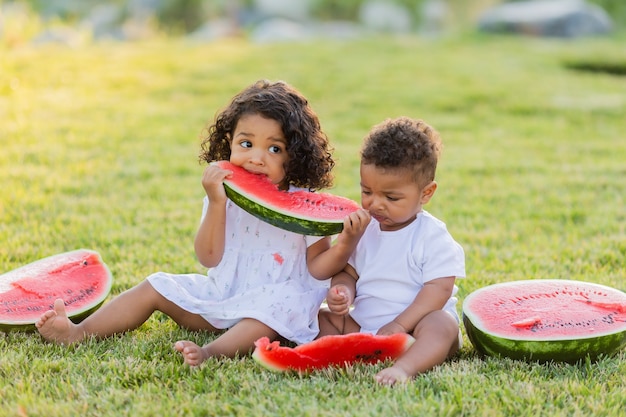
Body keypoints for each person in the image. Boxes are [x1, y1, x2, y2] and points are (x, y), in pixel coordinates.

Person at [36, 79, 365, 366]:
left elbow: (319, 268)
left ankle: (211, 352)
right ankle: (78, 332)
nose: (256, 157)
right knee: (155, 284)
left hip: (273, 309)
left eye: (274, 148)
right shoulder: (222, 194)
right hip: (221, 295)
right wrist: (218, 204)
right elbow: (208, 258)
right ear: (229, 141)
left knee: (269, 311)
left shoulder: (301, 204)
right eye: (246, 144)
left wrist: (346, 242)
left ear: (295, 155)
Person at [318, 116, 466, 385]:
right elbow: (348, 272)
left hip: (416, 329)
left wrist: (400, 325)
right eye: (367, 191)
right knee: (318, 316)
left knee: (442, 324)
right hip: (365, 327)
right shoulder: (363, 229)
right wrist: (342, 291)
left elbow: (439, 290)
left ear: (426, 193)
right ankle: (337, 352)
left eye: (391, 197)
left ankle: (405, 367)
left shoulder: (431, 236)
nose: (376, 204)